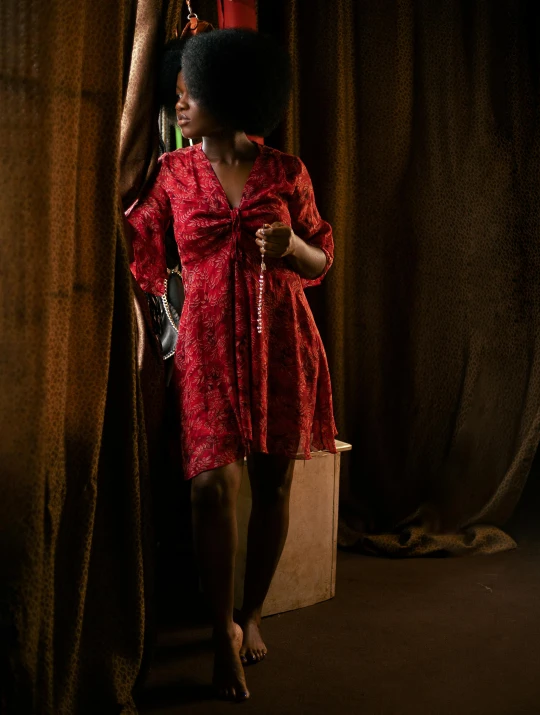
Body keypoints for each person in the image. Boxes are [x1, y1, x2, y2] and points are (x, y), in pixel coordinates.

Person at [124, 28, 337, 701]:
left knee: (273, 486)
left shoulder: (287, 172)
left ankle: (251, 613)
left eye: (193, 93)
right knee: (210, 487)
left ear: (235, 94)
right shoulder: (172, 174)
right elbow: (139, 249)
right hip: (208, 349)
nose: (180, 104)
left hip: (282, 341)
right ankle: (220, 632)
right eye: (177, 92)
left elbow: (323, 258)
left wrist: (293, 247)